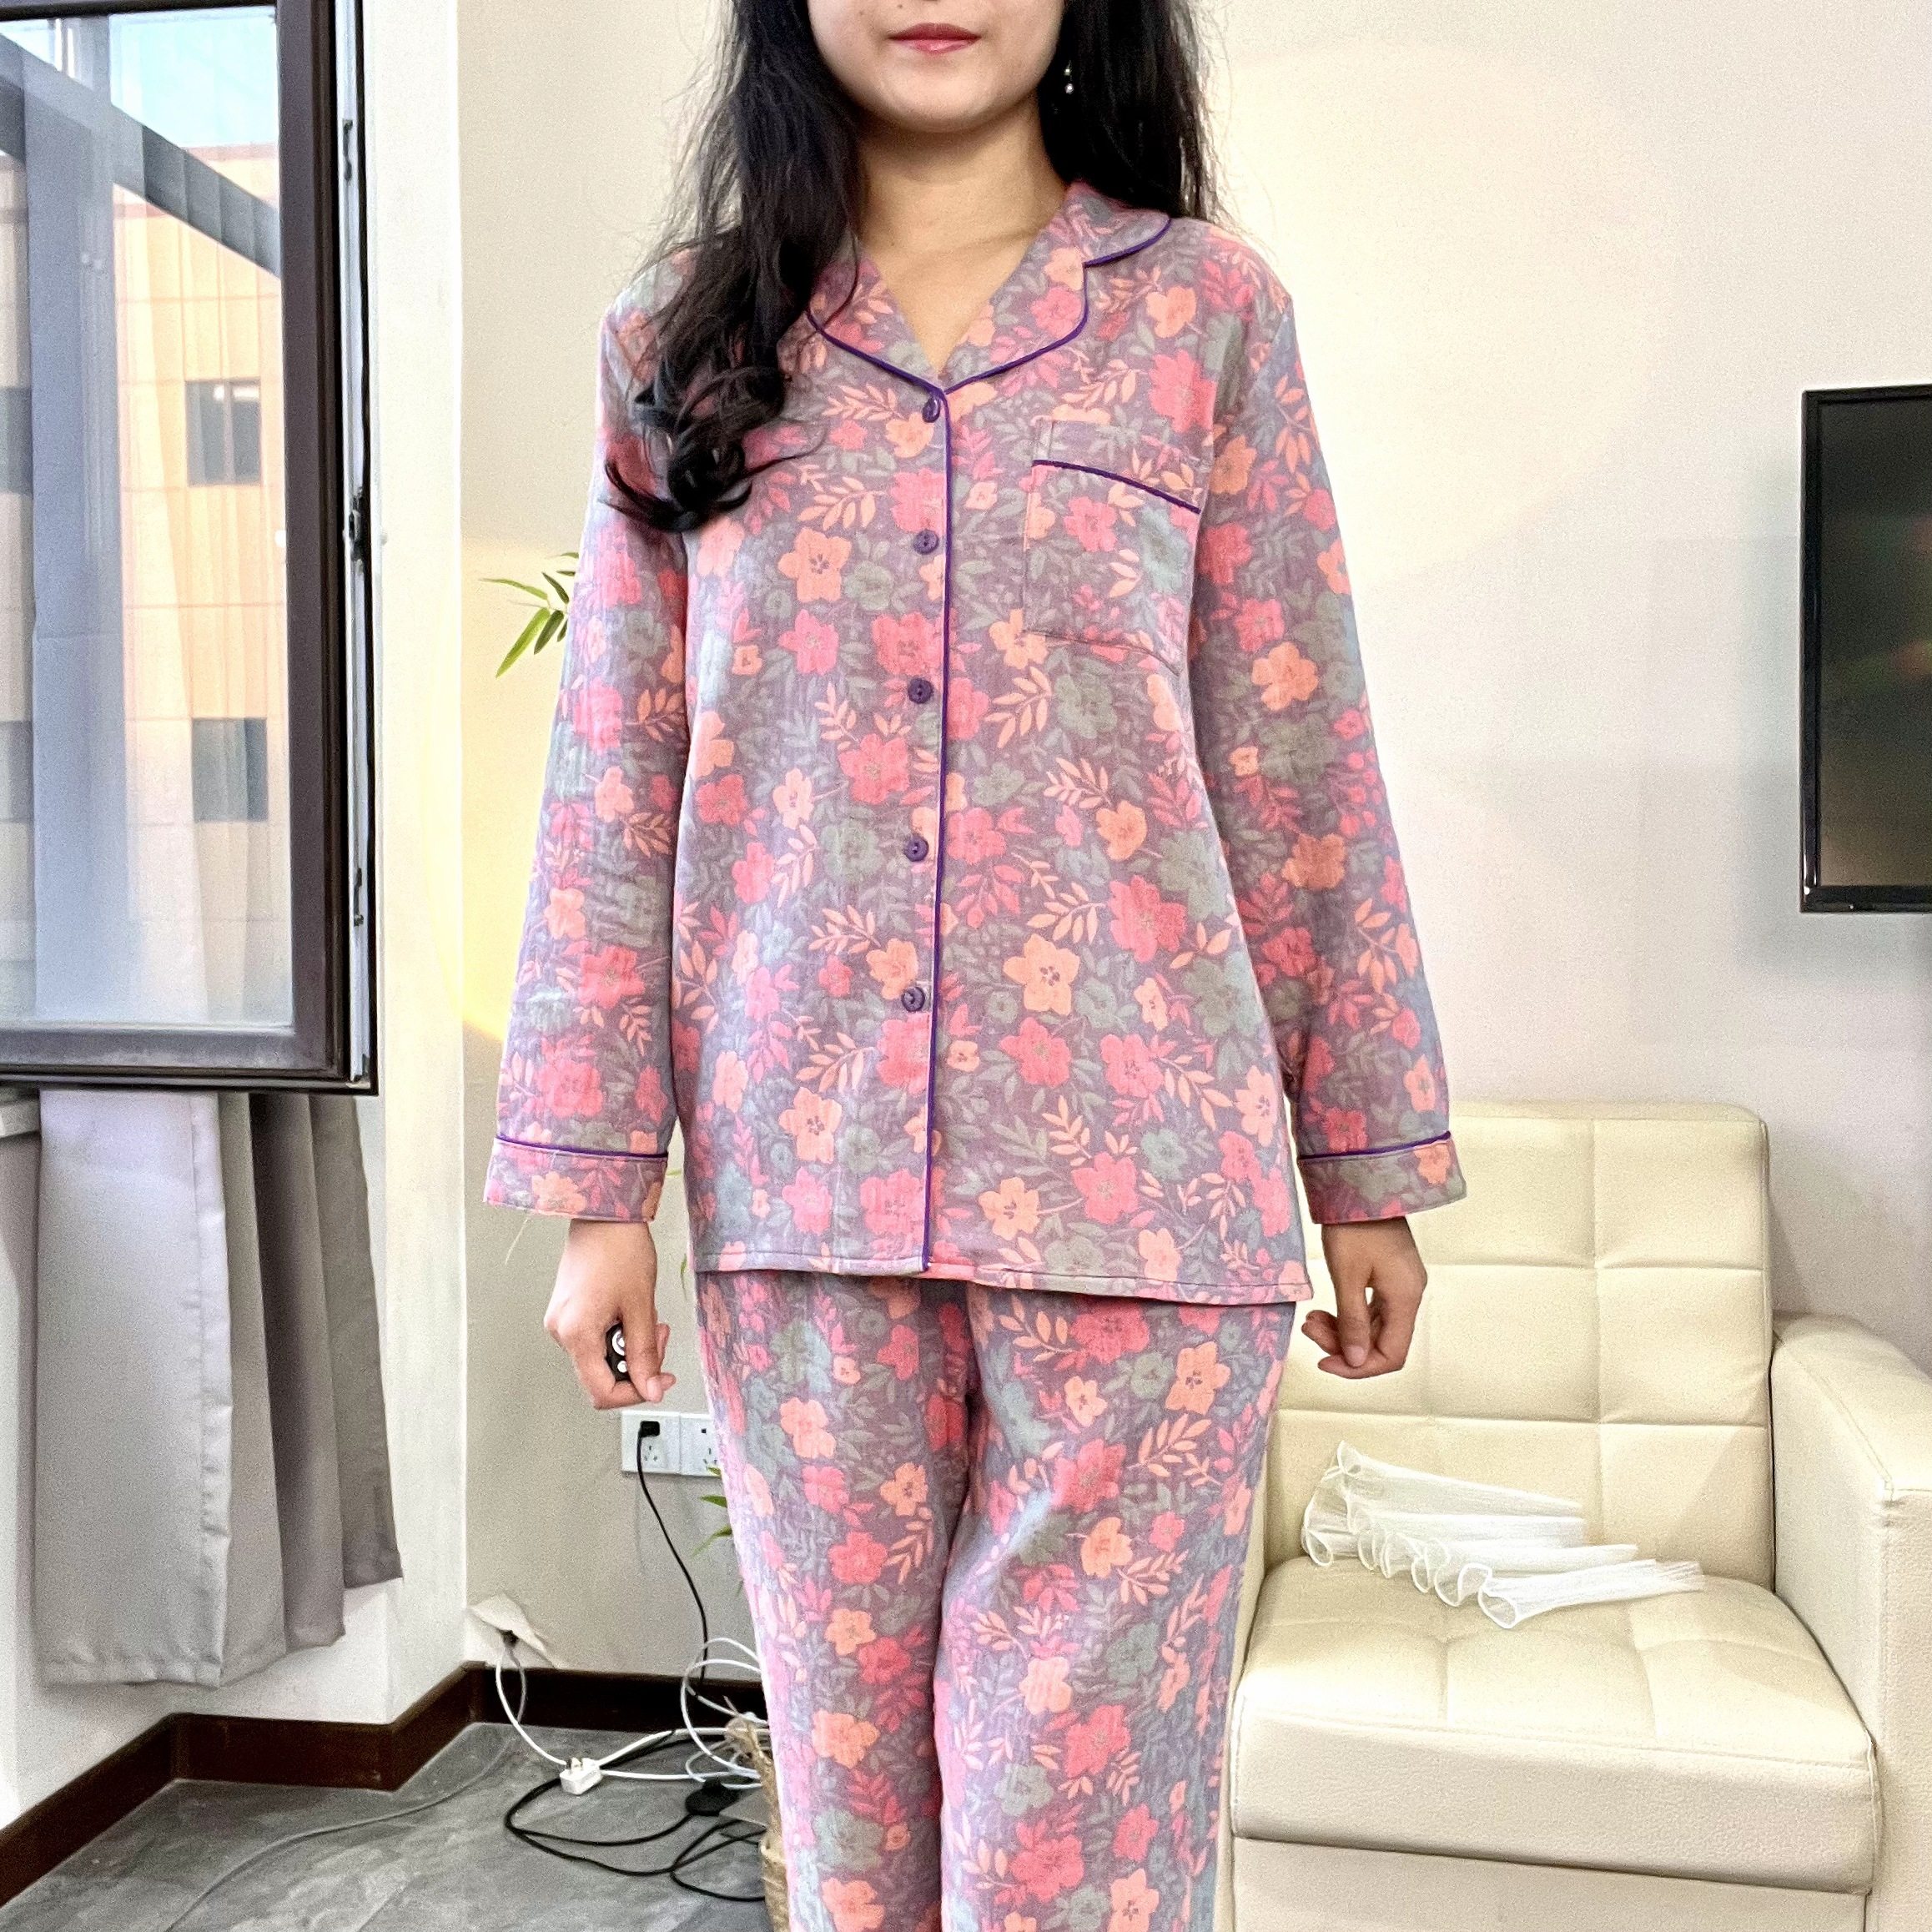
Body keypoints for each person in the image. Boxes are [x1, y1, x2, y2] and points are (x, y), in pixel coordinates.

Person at [486, 3, 1467, 1924]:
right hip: (806, 1197)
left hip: (1147, 1210)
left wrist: (1361, 1163)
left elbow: (1294, 757)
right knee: (855, 1836)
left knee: (1074, 1851)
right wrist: (600, 1195)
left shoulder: (1206, 320)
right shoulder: (677, 346)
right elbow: (618, 775)